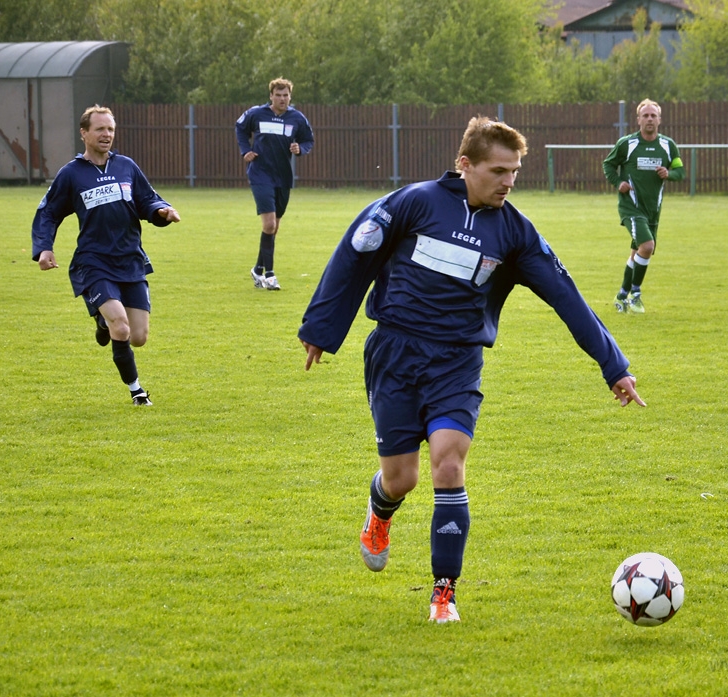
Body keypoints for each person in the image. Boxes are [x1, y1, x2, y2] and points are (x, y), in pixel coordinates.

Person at [298, 116, 645, 624]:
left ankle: (444, 593)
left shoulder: (515, 232)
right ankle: (380, 509)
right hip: (395, 355)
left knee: (448, 465)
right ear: (465, 165)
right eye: (499, 171)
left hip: (458, 362)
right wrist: (321, 328)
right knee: (401, 479)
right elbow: (356, 253)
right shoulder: (415, 203)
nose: (509, 181)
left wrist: (613, 365)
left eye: (515, 172)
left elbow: (566, 297)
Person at [32, 105, 181, 406]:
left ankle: (102, 323)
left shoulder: (126, 166)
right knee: (121, 326)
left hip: (130, 259)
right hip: (94, 261)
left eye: (110, 129)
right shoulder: (72, 174)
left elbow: (147, 200)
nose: (107, 134)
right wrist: (44, 247)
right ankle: (137, 392)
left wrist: (162, 212)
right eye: (100, 129)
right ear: (84, 133)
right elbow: (48, 212)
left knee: (138, 336)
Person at [603, 99, 684, 314]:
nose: (649, 119)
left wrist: (670, 173)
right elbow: (608, 164)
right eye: (645, 115)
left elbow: (680, 171)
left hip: (653, 210)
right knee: (647, 246)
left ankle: (621, 296)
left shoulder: (668, 145)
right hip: (631, 207)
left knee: (638, 253)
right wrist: (618, 182)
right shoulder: (627, 144)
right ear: (638, 119)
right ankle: (635, 295)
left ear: (659, 119)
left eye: (653, 115)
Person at [236, 77, 314, 291]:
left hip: (283, 177)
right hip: (260, 175)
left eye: (285, 95)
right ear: (271, 96)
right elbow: (240, 128)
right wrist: (245, 150)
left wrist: (300, 149)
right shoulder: (256, 114)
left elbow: (308, 140)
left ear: (290, 96)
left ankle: (257, 269)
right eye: (278, 95)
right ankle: (269, 276)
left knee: (273, 227)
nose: (282, 99)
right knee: (269, 225)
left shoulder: (297, 118)